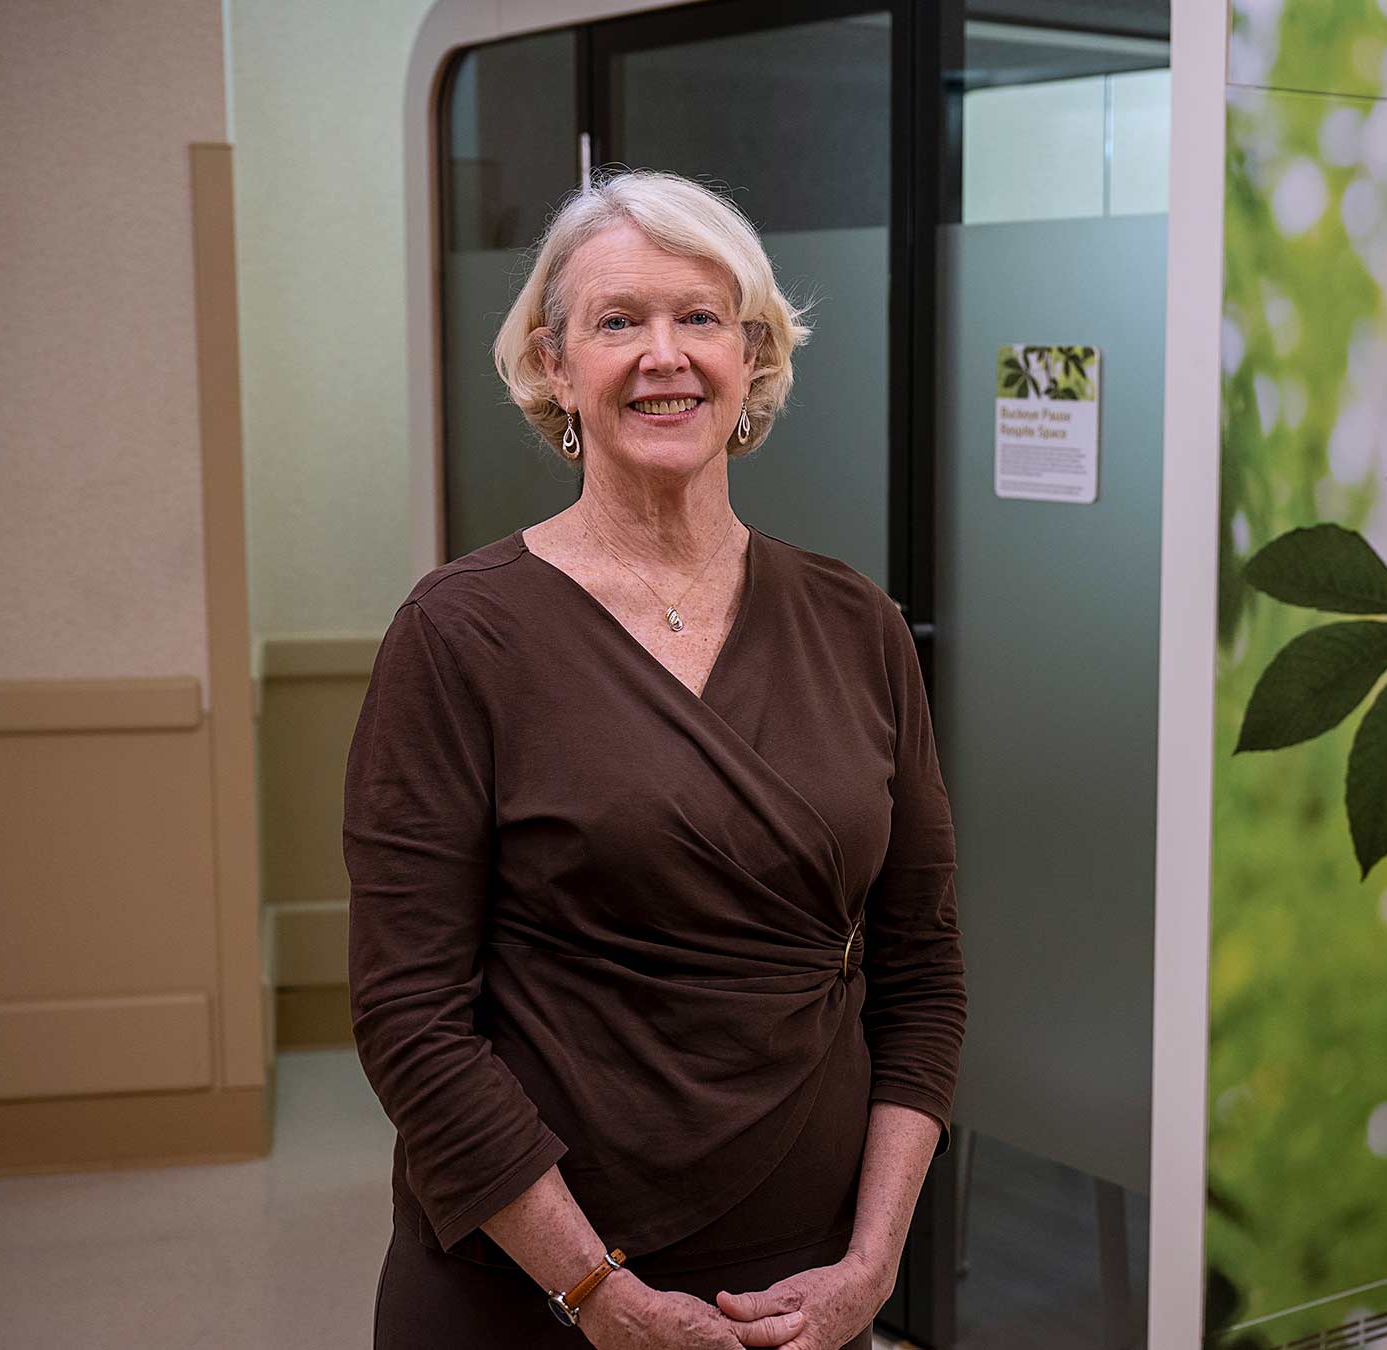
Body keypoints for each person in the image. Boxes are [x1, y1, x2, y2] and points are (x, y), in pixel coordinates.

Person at [345, 168, 966, 1349]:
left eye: (700, 318)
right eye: (618, 321)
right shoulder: (460, 634)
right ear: (552, 363)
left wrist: (872, 1268)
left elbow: (923, 973)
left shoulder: (857, 626)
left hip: (801, 1290)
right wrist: (595, 1297)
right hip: (526, 1285)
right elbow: (408, 1015)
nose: (663, 355)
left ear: (754, 359)